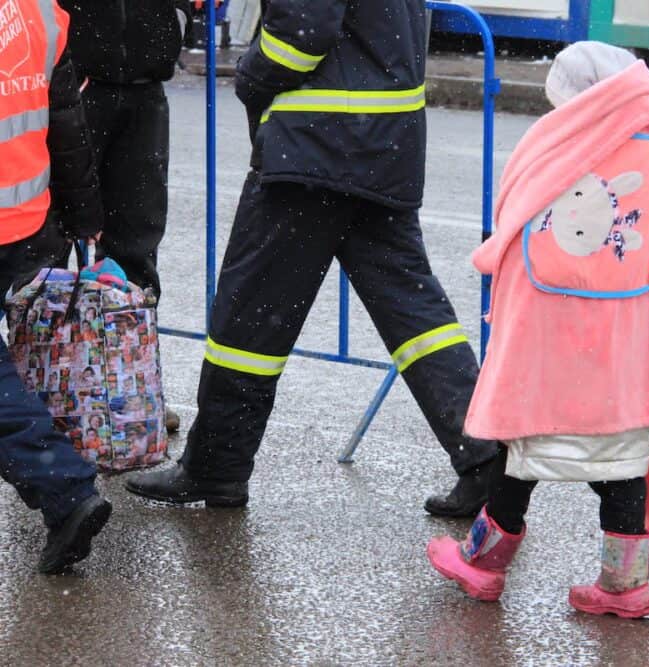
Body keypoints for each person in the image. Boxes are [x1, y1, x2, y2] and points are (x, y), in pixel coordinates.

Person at [123, 0, 498, 515]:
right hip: (383, 145)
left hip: (316, 146)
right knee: (414, 313)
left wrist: (251, 78)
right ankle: (485, 458)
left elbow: (302, 33)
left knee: (249, 318)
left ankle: (216, 467)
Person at [426, 42, 649, 617]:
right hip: (626, 338)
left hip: (549, 330)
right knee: (624, 457)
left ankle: (483, 565)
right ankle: (625, 587)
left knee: (523, 443)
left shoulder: (563, 145)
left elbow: (516, 220)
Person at [0, 0, 112, 574]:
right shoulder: (40, 10)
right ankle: (62, 487)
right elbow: (65, 117)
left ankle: (64, 487)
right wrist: (83, 212)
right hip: (26, 219)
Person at [52, 0, 189, 434]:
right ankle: (46, 393)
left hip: (144, 87)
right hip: (72, 81)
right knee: (51, 248)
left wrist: (176, 22)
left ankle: (130, 389)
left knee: (135, 246)